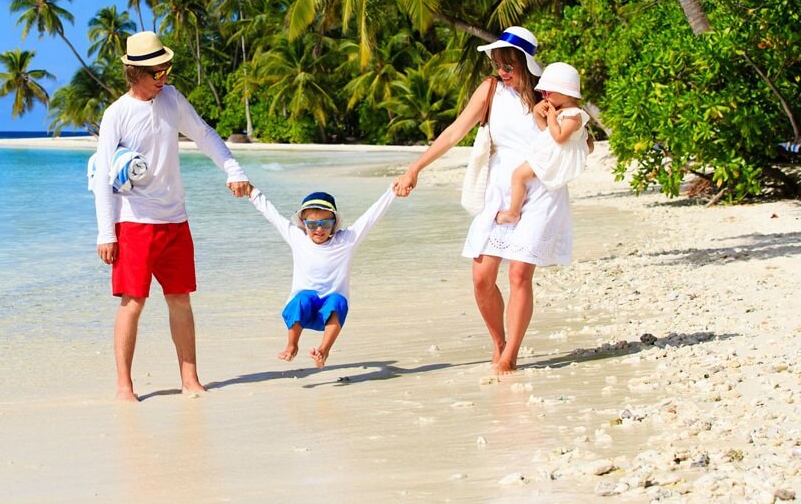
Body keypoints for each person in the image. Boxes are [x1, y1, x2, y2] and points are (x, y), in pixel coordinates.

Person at [392, 26, 574, 374]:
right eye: (497, 64)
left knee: (519, 272)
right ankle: (499, 341)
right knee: (481, 278)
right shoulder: (490, 89)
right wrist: (415, 168)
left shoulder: (547, 93)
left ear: (525, 63)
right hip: (500, 188)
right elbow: (454, 132)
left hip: (541, 187)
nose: (502, 72)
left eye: (509, 66)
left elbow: (578, 131)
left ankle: (509, 357)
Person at [93, 31, 251, 402]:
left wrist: (233, 169)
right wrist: (106, 233)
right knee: (133, 303)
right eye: (157, 72)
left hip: (175, 220)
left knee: (180, 299)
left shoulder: (172, 99)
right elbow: (102, 176)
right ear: (135, 73)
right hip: (133, 222)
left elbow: (204, 135)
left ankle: (190, 379)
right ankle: (124, 386)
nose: (163, 77)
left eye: (167, 69)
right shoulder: (116, 114)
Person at [248, 187, 397, 368]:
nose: (319, 229)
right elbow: (271, 214)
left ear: (334, 224)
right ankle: (292, 345)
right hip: (302, 313)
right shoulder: (297, 238)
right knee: (303, 298)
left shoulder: (346, 240)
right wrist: (250, 191)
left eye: (325, 224)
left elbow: (372, 216)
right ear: (303, 223)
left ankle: (323, 351)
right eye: (312, 224)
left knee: (337, 300)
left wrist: (394, 190)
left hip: (330, 315)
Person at [495, 62, 590, 225]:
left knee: (518, 175)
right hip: (551, 152)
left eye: (547, 92)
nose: (544, 97)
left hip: (554, 157)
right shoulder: (564, 112)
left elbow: (559, 137)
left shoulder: (573, 115)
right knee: (518, 175)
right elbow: (546, 132)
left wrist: (551, 116)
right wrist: (537, 114)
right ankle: (516, 210)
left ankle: (513, 212)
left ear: (565, 92)